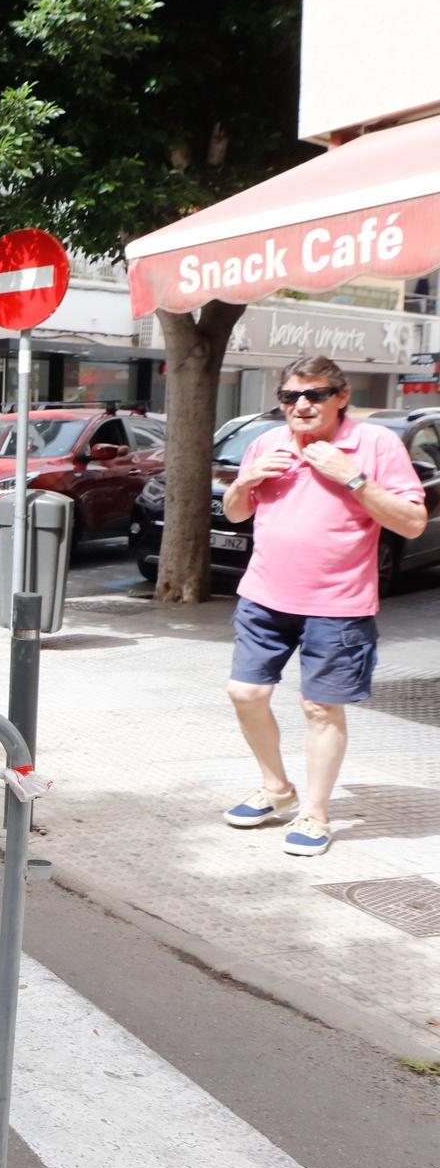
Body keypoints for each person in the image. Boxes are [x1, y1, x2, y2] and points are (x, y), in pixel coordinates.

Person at [221, 356, 427, 857]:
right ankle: (276, 788)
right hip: (264, 596)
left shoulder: (375, 444)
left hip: (338, 604)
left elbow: (413, 523)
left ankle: (315, 814)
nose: (301, 405)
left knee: (320, 707)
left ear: (341, 396)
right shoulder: (266, 443)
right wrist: (245, 483)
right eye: (291, 397)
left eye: (314, 395)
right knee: (245, 693)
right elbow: (236, 512)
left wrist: (353, 478)